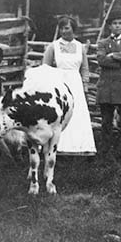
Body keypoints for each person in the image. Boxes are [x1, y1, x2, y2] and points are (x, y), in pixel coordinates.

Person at [43, 16, 96, 156]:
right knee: (60, 115)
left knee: (77, 114)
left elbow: (84, 68)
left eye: (66, 28)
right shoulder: (53, 46)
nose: (63, 31)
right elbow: (45, 68)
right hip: (59, 84)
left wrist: (85, 86)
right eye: (61, 28)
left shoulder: (80, 47)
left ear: (73, 29)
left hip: (76, 84)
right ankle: (58, 147)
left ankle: (80, 146)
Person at [95, 12, 121, 158]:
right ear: (109, 26)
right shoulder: (102, 43)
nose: (117, 26)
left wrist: (113, 55)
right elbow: (101, 60)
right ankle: (105, 151)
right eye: (114, 23)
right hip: (106, 87)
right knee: (106, 122)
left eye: (120, 23)